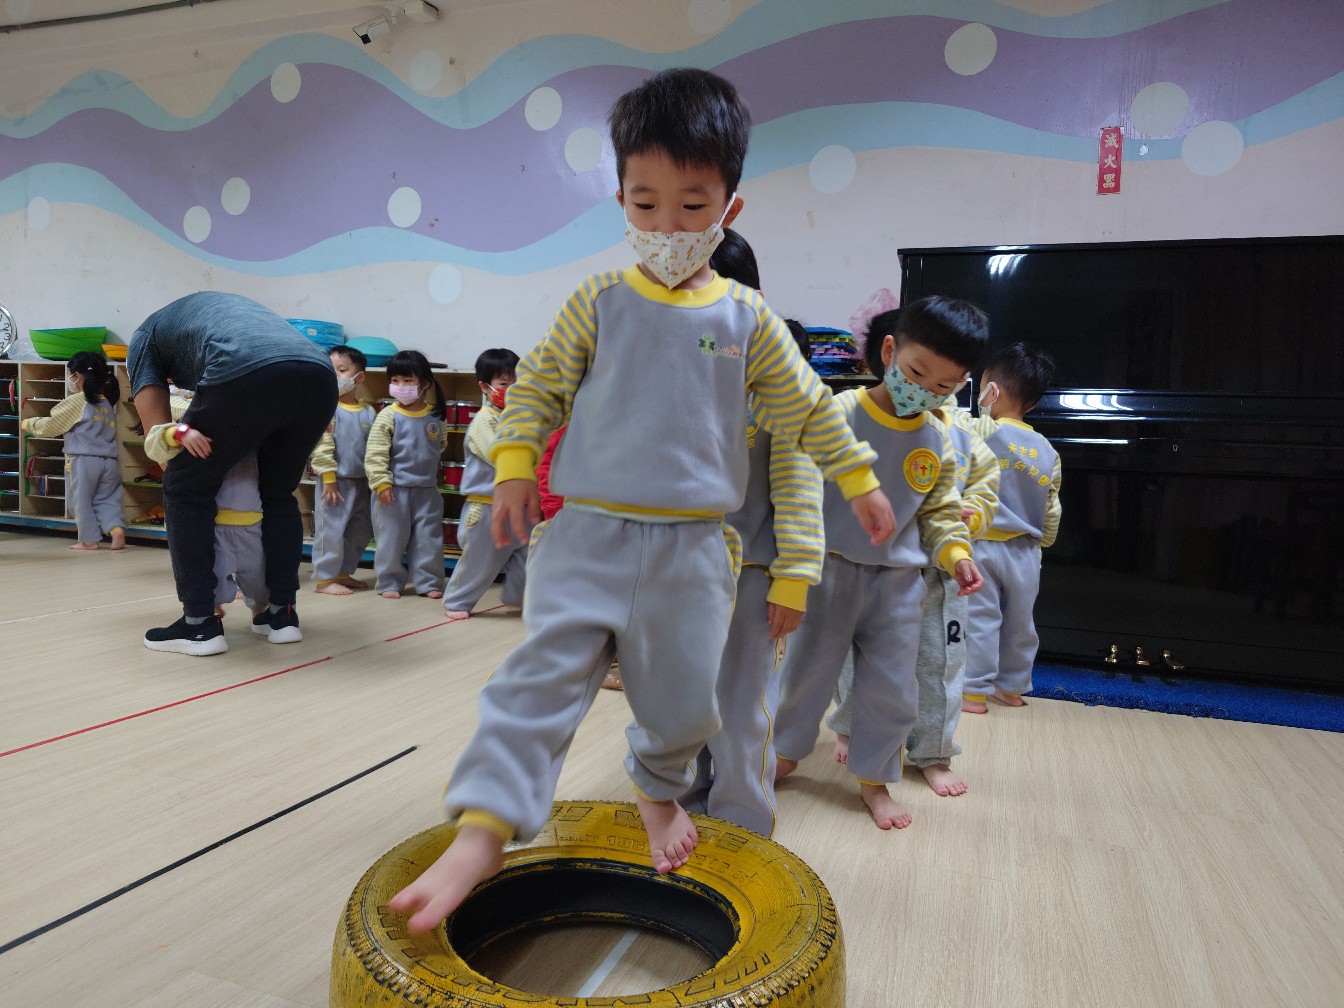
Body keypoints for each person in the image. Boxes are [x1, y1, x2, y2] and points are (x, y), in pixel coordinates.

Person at [389, 67, 895, 935]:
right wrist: (514, 466)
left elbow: (808, 410)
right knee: (537, 678)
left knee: (685, 703)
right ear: (621, 199)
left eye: (692, 207)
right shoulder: (599, 301)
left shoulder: (746, 321)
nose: (666, 228)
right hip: (586, 536)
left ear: (729, 207)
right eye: (645, 204)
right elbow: (538, 389)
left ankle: (659, 791)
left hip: (693, 552)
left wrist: (859, 476)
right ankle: (484, 828)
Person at [772, 296, 987, 831]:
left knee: (893, 687)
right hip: (828, 571)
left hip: (897, 583)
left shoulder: (938, 438)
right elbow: (796, 487)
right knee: (805, 675)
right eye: (916, 373)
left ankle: (875, 779)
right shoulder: (837, 414)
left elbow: (939, 513)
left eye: (944, 386)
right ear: (889, 352)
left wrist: (957, 554)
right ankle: (784, 752)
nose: (926, 390)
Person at [128, 292, 335, 655]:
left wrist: (177, 458)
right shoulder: (214, 316)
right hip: (319, 373)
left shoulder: (145, 337)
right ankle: (281, 615)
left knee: (183, 485)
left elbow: (155, 431)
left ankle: (199, 624)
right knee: (277, 492)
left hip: (247, 366)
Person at [682, 310, 824, 838]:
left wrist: (794, 579)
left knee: (743, 707)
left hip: (752, 577)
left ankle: (741, 823)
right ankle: (681, 803)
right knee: (680, 699)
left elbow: (800, 495)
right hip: (682, 575)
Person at [827, 367, 1000, 797]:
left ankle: (933, 753)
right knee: (855, 659)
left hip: (939, 575)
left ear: (958, 381)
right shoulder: (863, 416)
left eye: (942, 378)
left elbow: (985, 492)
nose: (926, 388)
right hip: (874, 568)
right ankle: (849, 728)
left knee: (939, 667)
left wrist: (969, 518)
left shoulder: (964, 436)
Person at [959, 341, 1061, 713]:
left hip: (982, 545)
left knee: (981, 619)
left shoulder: (976, 431)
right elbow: (1052, 507)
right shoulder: (1048, 450)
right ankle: (1012, 688)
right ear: (1031, 404)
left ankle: (973, 692)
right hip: (1026, 551)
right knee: (1020, 623)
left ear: (991, 391)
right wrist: (1043, 542)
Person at [145, 395, 274, 635]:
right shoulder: (199, 422)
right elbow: (154, 441)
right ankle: (209, 611)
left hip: (253, 523)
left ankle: (260, 613)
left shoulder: (253, 428)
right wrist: (182, 433)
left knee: (259, 581)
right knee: (210, 579)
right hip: (214, 526)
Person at [442, 348, 524, 620]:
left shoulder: (519, 418)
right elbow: (498, 454)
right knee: (480, 559)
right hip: (488, 506)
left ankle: (520, 597)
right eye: (504, 384)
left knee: (527, 556)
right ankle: (457, 601)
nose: (512, 389)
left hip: (519, 506)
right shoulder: (484, 420)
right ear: (485, 386)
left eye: (517, 383)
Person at [365, 349, 449, 600]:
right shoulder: (388, 415)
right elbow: (375, 453)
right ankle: (389, 581)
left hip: (427, 490)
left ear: (424, 384)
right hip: (393, 492)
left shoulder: (435, 416)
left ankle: (428, 582)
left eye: (408, 380)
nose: (400, 386)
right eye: (395, 380)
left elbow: (439, 446)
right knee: (391, 539)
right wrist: (381, 483)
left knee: (428, 539)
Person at [21, 351, 125, 551]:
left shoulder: (78, 400)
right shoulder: (106, 403)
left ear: (77, 376)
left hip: (83, 461)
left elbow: (52, 425)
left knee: (80, 501)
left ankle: (88, 540)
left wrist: (29, 423)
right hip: (110, 461)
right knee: (106, 500)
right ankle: (116, 529)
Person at [309, 345, 376, 596]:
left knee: (360, 529)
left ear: (359, 377)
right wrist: (328, 479)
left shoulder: (368, 411)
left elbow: (375, 448)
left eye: (341, 370)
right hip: (334, 482)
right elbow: (322, 446)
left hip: (362, 482)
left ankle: (342, 572)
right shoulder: (327, 408)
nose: (335, 376)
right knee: (330, 530)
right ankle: (325, 578)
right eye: (331, 370)